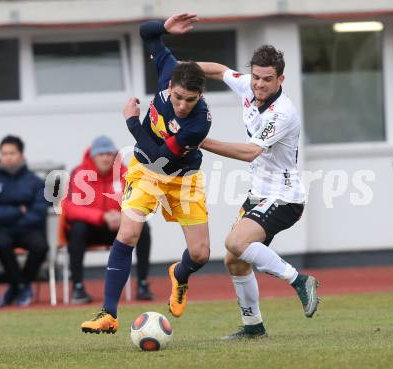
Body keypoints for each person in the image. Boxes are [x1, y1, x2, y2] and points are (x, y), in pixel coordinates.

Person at [81, 13, 211, 333]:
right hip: (145, 173)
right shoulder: (169, 69)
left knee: (201, 253)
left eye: (190, 100)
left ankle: (179, 275)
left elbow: (160, 156)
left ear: (200, 97)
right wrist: (165, 28)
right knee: (127, 234)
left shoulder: (199, 123)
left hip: (182, 178)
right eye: (178, 97)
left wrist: (131, 122)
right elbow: (146, 33)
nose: (182, 105)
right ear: (171, 85)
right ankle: (108, 314)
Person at [197, 45, 319, 339]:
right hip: (259, 193)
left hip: (285, 197)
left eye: (267, 79)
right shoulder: (248, 87)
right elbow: (217, 69)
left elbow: (250, 152)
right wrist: (178, 68)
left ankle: (299, 280)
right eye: (256, 77)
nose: (260, 84)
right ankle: (253, 327)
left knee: (235, 242)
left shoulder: (283, 113)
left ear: (281, 80)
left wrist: (198, 139)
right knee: (234, 259)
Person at [62, 136, 153, 304]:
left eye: (109, 154)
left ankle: (142, 284)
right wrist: (101, 216)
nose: (105, 158)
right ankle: (78, 287)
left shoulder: (127, 174)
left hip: (118, 229)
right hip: (91, 229)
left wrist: (123, 216)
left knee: (143, 228)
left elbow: (138, 201)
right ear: (92, 156)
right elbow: (70, 208)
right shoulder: (79, 174)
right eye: (100, 154)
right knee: (77, 229)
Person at [0, 135, 48, 307]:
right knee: (1, 243)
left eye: (12, 153)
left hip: (27, 228)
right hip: (1, 230)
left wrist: (8, 217)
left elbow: (38, 212)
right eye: (4, 153)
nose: (8, 157)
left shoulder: (35, 182)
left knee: (41, 246)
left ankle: (18, 285)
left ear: (21, 155)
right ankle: (21, 286)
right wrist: (18, 211)